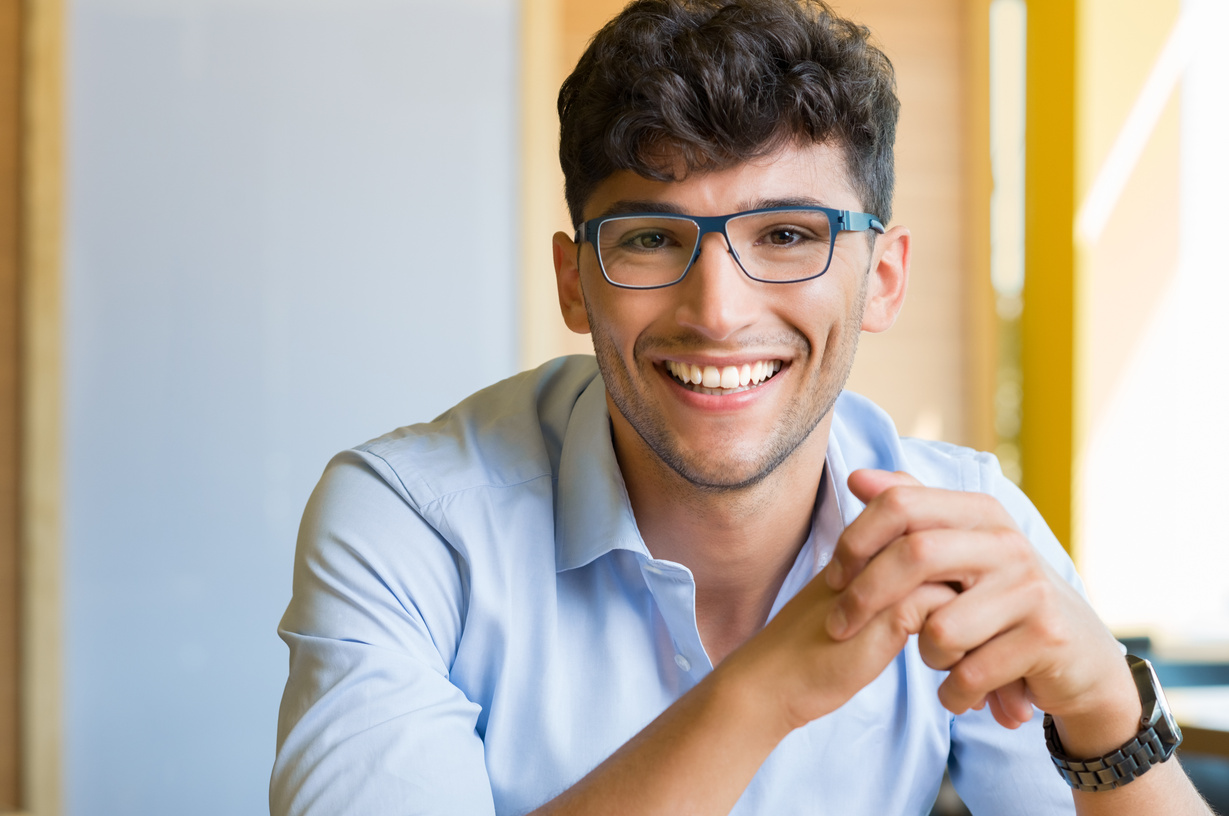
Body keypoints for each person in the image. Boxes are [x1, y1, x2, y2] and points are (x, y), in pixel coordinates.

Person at [270, 1, 1213, 814]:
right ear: (574, 282)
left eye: (789, 233)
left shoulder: (963, 523)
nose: (718, 313)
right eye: (647, 238)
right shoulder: (409, 517)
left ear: (880, 279)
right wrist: (768, 690)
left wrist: (1106, 719)